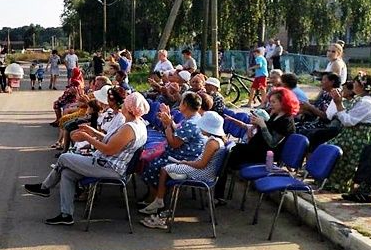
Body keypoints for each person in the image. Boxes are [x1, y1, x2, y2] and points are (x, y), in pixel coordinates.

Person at [24, 92, 150, 226]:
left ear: (129, 108)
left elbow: (108, 149)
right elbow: (112, 142)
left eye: (125, 103)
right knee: (67, 174)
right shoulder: (137, 124)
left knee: (64, 158)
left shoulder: (129, 129)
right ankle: (66, 215)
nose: (122, 105)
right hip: (108, 164)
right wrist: (94, 132)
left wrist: (87, 137)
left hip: (110, 167)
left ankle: (45, 187)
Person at [141, 111, 228, 229]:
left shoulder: (212, 143)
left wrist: (186, 163)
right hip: (203, 170)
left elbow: (201, 164)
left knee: (165, 169)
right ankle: (160, 202)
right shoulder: (217, 141)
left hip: (202, 173)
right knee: (170, 167)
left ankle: (159, 201)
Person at [217, 88, 298, 199]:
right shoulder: (275, 115)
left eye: (274, 102)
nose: (271, 104)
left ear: (284, 102)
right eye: (270, 101)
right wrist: (255, 126)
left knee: (228, 156)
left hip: (267, 154)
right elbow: (265, 133)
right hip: (257, 149)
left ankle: (218, 193)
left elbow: (272, 142)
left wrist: (262, 125)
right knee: (226, 152)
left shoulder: (286, 121)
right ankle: (218, 191)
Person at [139, 92, 207, 213]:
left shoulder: (191, 123)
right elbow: (178, 130)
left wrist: (167, 126)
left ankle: (157, 200)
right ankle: (155, 197)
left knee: (153, 165)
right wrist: (169, 119)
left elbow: (174, 143)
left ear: (185, 105)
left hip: (185, 158)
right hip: (182, 154)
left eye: (181, 102)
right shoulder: (194, 118)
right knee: (151, 159)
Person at [323, 74, 371, 193]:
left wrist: (338, 103)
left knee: (336, 150)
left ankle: (339, 184)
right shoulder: (360, 99)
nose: (353, 85)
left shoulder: (366, 102)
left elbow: (348, 121)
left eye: (355, 83)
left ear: (362, 86)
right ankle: (329, 180)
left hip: (361, 137)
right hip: (353, 134)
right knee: (328, 146)